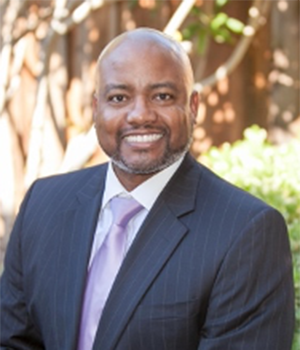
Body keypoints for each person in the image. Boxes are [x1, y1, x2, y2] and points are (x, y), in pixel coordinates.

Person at [0, 28, 295, 350]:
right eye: (119, 98)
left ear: (193, 106)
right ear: (96, 108)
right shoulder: (43, 205)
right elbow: (12, 341)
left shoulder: (246, 231)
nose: (140, 114)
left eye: (162, 96)